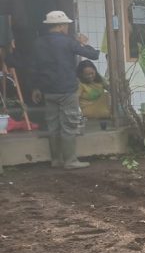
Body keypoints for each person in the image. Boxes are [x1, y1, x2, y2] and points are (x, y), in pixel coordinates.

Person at [30, 10, 100, 169]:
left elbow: (34, 67)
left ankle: (56, 159)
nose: (67, 28)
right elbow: (93, 55)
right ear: (61, 26)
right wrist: (82, 42)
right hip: (67, 90)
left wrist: (36, 88)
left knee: (53, 125)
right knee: (68, 125)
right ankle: (70, 161)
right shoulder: (69, 42)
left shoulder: (38, 43)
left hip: (48, 90)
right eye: (66, 25)